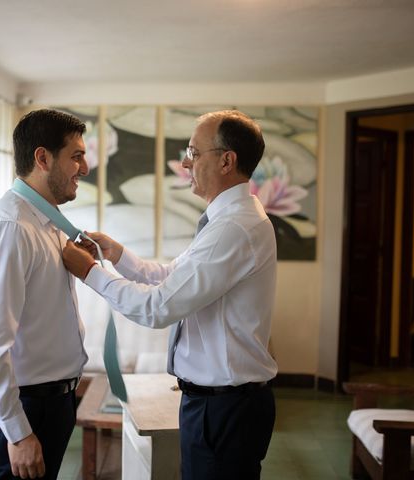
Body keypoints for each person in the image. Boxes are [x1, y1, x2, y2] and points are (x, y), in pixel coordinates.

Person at [63, 110, 278, 480]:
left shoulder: (234, 228)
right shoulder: (228, 220)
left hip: (225, 407)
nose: (185, 162)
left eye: (194, 152)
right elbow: (170, 277)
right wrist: (117, 255)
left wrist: (89, 273)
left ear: (227, 160)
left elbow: (159, 307)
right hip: (218, 403)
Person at [0, 109, 90, 480]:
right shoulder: (12, 229)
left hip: (54, 401)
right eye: (76, 155)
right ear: (42, 158)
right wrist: (19, 434)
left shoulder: (46, 222)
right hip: (25, 407)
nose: (84, 168)